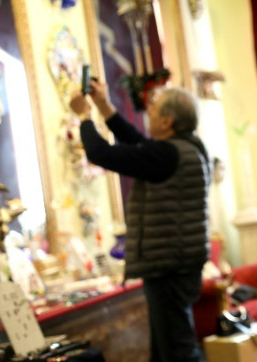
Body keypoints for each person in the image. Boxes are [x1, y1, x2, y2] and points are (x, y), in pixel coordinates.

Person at [69, 80, 210, 362]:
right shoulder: (185, 148)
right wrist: (103, 106)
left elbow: (101, 153)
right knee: (166, 352)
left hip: (169, 267)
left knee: (178, 352)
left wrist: (84, 115)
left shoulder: (168, 154)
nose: (148, 114)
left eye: (153, 109)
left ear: (167, 121)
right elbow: (136, 141)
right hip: (178, 264)